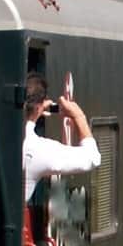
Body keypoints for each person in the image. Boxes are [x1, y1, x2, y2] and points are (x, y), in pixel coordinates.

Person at [22, 73, 101, 201]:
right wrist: (78, 116)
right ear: (39, 107)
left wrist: (33, 117)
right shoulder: (36, 149)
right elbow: (93, 158)